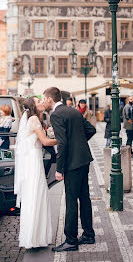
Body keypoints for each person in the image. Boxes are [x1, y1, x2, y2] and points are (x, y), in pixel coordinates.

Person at [43, 87, 95, 252]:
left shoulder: (56, 114)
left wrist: (60, 169)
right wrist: (78, 144)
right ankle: (88, 234)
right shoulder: (73, 111)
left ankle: (71, 240)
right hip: (84, 159)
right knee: (84, 198)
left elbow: (62, 142)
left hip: (73, 163)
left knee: (71, 201)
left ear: (50, 100)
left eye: (44, 99)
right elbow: (91, 130)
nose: (43, 102)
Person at [14, 96, 57, 249]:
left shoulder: (31, 118)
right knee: (35, 194)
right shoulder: (33, 119)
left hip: (33, 158)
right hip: (33, 160)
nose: (41, 102)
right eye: (38, 101)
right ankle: (34, 238)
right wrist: (63, 139)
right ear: (33, 106)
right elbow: (45, 141)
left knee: (35, 194)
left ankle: (35, 237)